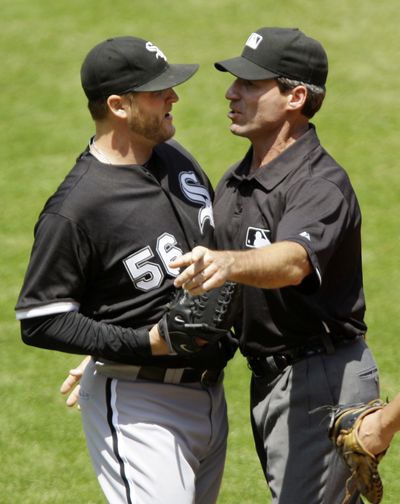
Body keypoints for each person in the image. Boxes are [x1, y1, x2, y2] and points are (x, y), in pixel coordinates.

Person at [15, 35, 237, 504]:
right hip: (142, 406)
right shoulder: (76, 208)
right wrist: (135, 343)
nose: (173, 96)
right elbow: (39, 319)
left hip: (211, 395)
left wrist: (101, 337)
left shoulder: (177, 162)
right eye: (159, 92)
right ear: (118, 105)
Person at [171, 27, 380, 503]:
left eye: (249, 84)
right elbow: (194, 276)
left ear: (296, 96)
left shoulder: (321, 184)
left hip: (322, 378)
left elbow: (292, 262)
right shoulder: (238, 180)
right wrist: (111, 353)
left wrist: (227, 263)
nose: (231, 92)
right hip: (272, 379)